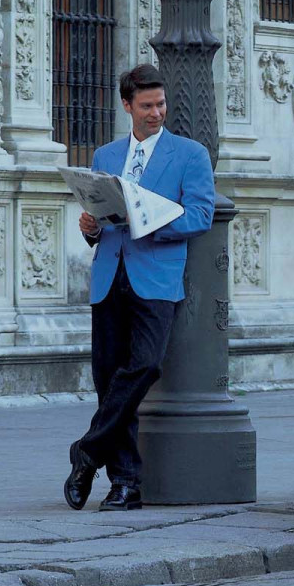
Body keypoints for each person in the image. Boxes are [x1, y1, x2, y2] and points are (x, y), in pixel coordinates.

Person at [65, 64, 215, 511]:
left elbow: (201, 215)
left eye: (161, 104)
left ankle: (87, 452)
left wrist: (149, 222)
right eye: (147, 105)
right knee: (108, 380)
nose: (156, 113)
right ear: (127, 105)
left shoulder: (190, 154)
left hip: (157, 276)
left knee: (145, 366)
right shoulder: (106, 156)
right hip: (110, 275)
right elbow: (98, 219)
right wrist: (90, 227)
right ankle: (125, 484)